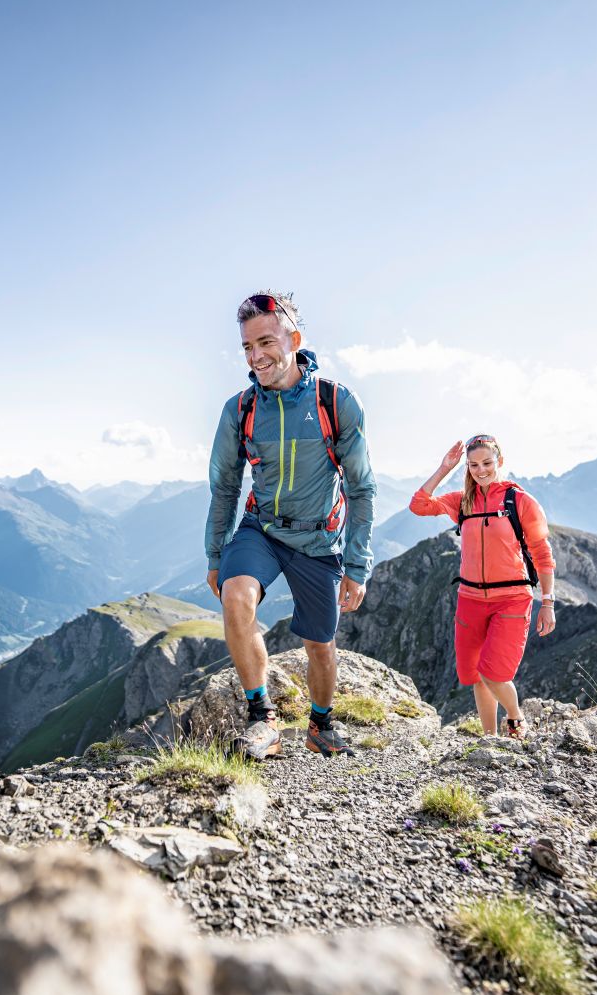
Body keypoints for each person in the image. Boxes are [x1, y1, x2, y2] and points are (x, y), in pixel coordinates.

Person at [205, 291, 377, 760]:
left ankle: (320, 724)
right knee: (236, 596)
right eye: (246, 347)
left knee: (319, 645)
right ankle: (262, 719)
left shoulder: (336, 402)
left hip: (319, 537)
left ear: (294, 339)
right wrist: (216, 553)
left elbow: (361, 487)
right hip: (261, 528)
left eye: (265, 342)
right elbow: (224, 487)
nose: (255, 356)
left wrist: (357, 566)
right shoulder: (239, 409)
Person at [409, 434, 556, 738]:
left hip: (512, 599)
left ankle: (515, 719)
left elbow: (542, 554)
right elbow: (419, 505)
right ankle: (489, 738)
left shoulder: (520, 502)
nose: (481, 469)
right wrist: (444, 469)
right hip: (470, 599)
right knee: (477, 676)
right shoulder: (462, 501)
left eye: (487, 463)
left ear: (499, 462)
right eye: (473, 464)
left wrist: (548, 603)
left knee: (493, 673)